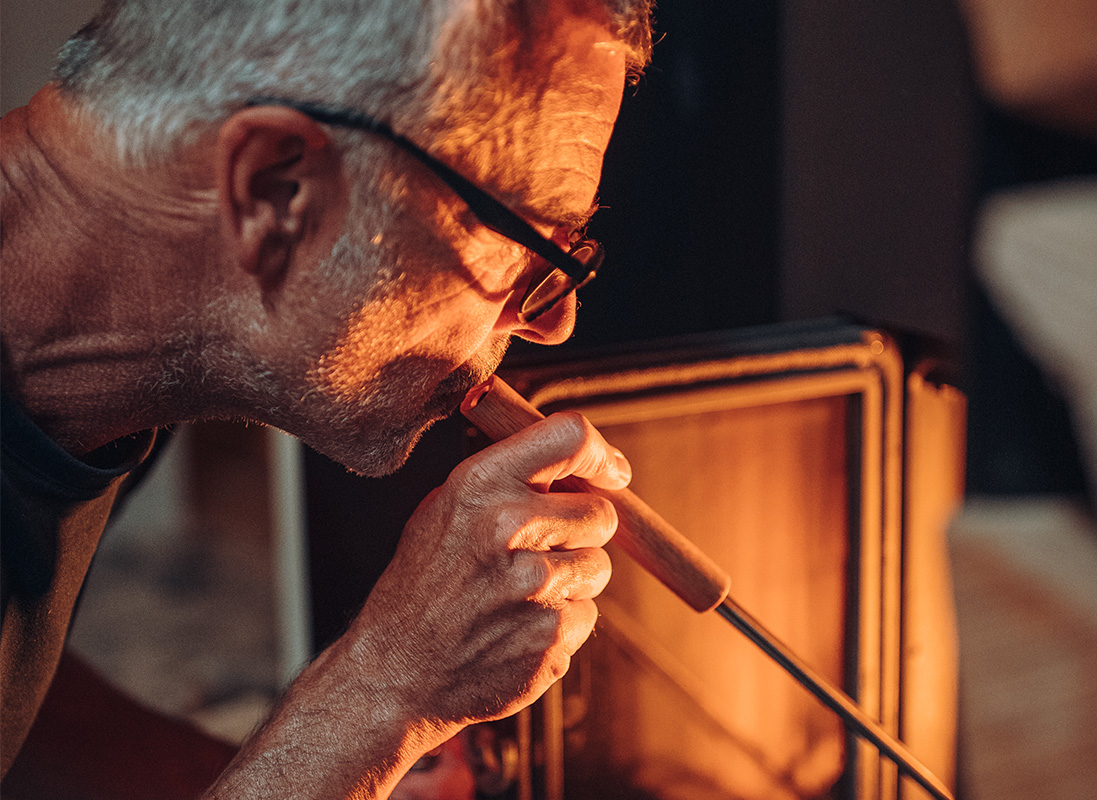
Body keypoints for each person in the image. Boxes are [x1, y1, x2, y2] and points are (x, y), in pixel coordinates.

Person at [0, 0, 653, 796]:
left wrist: (311, 767)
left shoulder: (112, 353)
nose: (553, 319)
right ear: (276, 189)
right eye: (530, 246)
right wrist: (381, 695)